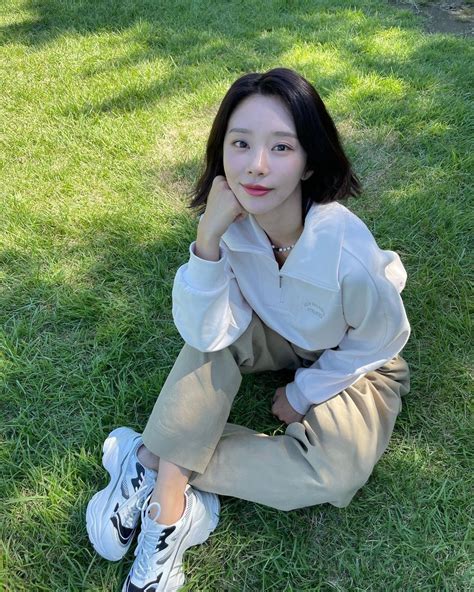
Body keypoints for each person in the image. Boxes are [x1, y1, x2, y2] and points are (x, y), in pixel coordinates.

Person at [86, 67, 411, 591]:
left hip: (357, 356)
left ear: (309, 162)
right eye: (241, 144)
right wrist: (208, 240)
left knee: (333, 474)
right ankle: (170, 512)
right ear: (223, 152)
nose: (257, 167)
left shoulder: (347, 253)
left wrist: (307, 390)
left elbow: (383, 338)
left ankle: (147, 454)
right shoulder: (232, 223)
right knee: (211, 339)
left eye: (282, 148)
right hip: (273, 329)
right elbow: (204, 330)